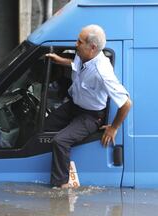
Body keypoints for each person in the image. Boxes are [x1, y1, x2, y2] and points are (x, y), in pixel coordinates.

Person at [45, 24, 132, 189]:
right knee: (44, 126)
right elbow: (76, 65)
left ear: (92, 47)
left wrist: (113, 128)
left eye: (79, 41)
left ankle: (62, 185)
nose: (75, 44)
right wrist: (60, 60)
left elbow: (126, 103)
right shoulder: (83, 55)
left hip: (90, 116)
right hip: (74, 106)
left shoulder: (102, 71)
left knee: (60, 141)